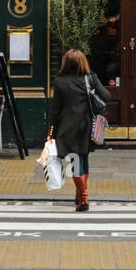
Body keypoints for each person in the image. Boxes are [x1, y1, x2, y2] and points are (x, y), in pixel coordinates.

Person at [48, 48, 110, 213]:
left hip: (68, 127)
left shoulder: (60, 81)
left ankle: (83, 198)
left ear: (66, 63)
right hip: (88, 125)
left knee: (74, 162)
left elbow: (56, 110)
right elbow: (107, 96)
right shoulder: (91, 78)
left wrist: (51, 133)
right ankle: (79, 193)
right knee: (83, 158)